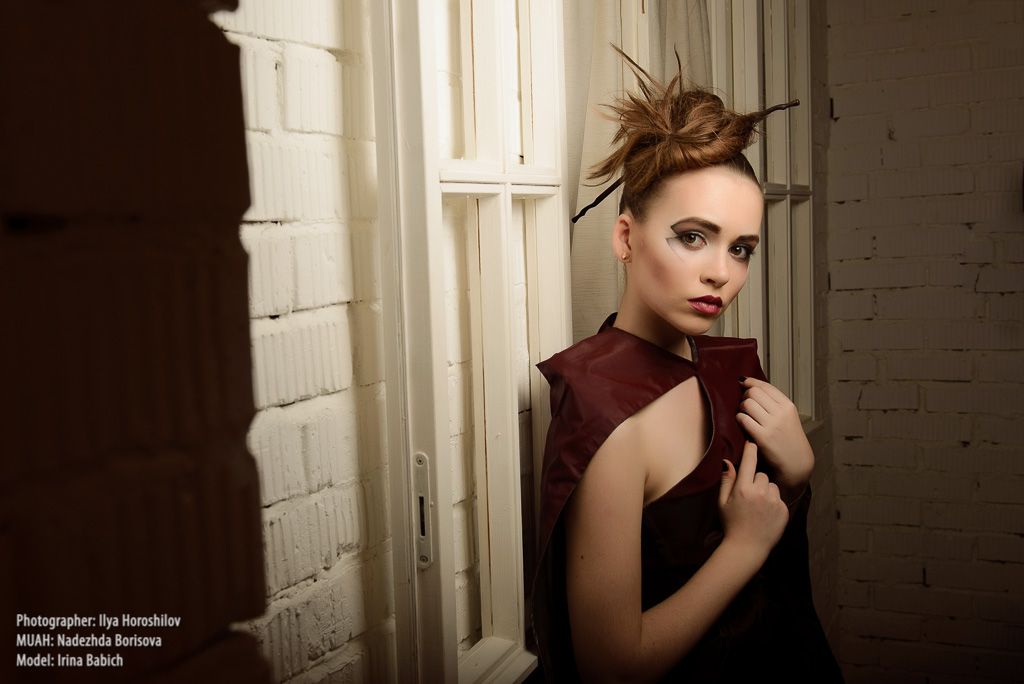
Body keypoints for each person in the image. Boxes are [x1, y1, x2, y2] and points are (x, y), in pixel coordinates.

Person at [529, 47, 843, 682]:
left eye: (741, 248)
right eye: (692, 237)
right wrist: (743, 547)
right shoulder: (610, 416)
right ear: (626, 238)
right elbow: (611, 668)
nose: (720, 273)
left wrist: (797, 475)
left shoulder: (726, 369)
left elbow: (773, 604)